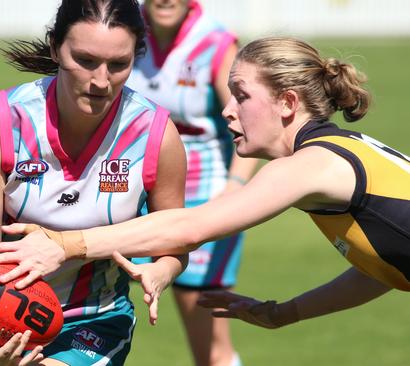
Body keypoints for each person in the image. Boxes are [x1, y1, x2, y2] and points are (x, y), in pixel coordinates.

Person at [0, 37, 410, 334]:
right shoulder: (331, 158)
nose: (226, 111)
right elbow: (386, 266)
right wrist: (284, 313)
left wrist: (64, 244)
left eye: (241, 94)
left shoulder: (311, 163)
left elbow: (188, 228)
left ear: (288, 103)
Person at [0, 0, 189, 365]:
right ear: (55, 47)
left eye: (119, 65)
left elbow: (175, 238)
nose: (101, 81)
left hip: (95, 320)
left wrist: (162, 269)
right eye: (86, 60)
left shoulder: (156, 135)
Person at [125, 1, 258, 365]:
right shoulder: (124, 31)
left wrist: (232, 193)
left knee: (208, 344)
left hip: (203, 196)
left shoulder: (214, 43)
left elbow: (251, 121)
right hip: (128, 192)